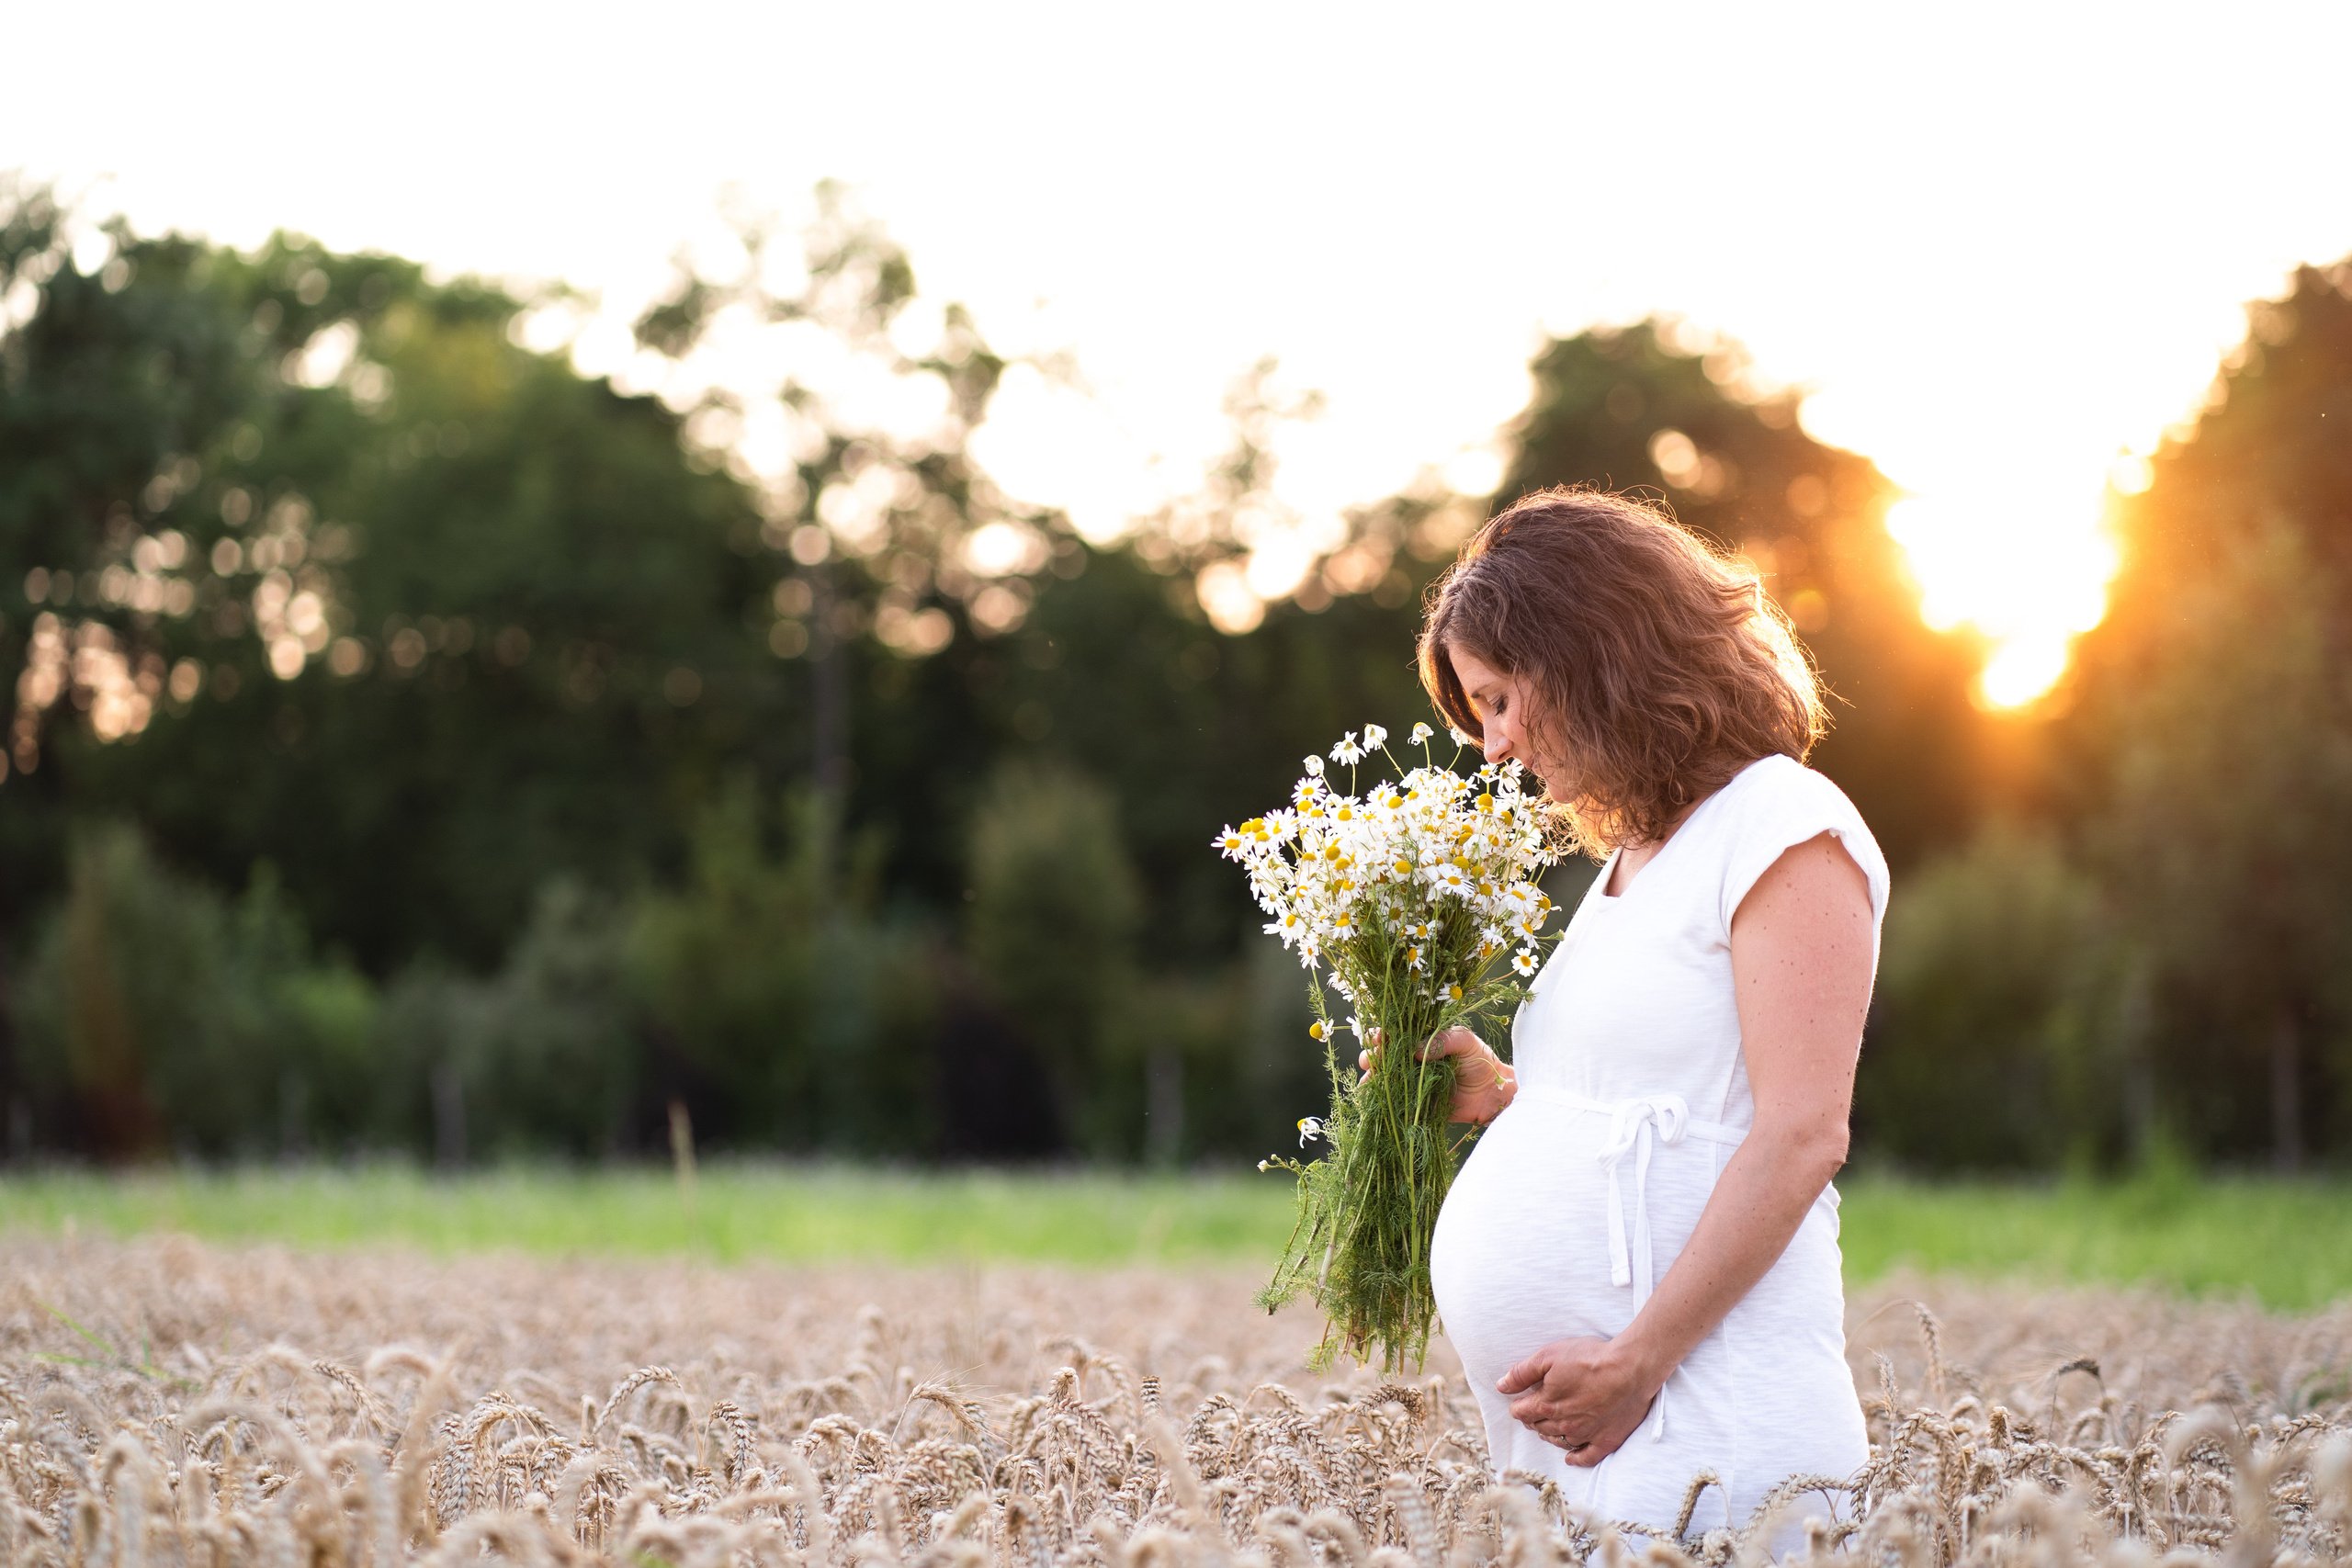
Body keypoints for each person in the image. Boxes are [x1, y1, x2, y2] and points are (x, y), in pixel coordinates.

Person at [1378, 486, 1884, 1540]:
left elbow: (1799, 1133)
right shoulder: (1638, 855)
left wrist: (1635, 1359)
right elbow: (1660, 1099)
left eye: (1500, 700)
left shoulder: (1782, 823)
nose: (1493, 748)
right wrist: (1507, 1097)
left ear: (1593, 657)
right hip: (1595, 1432)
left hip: (1700, 1419)